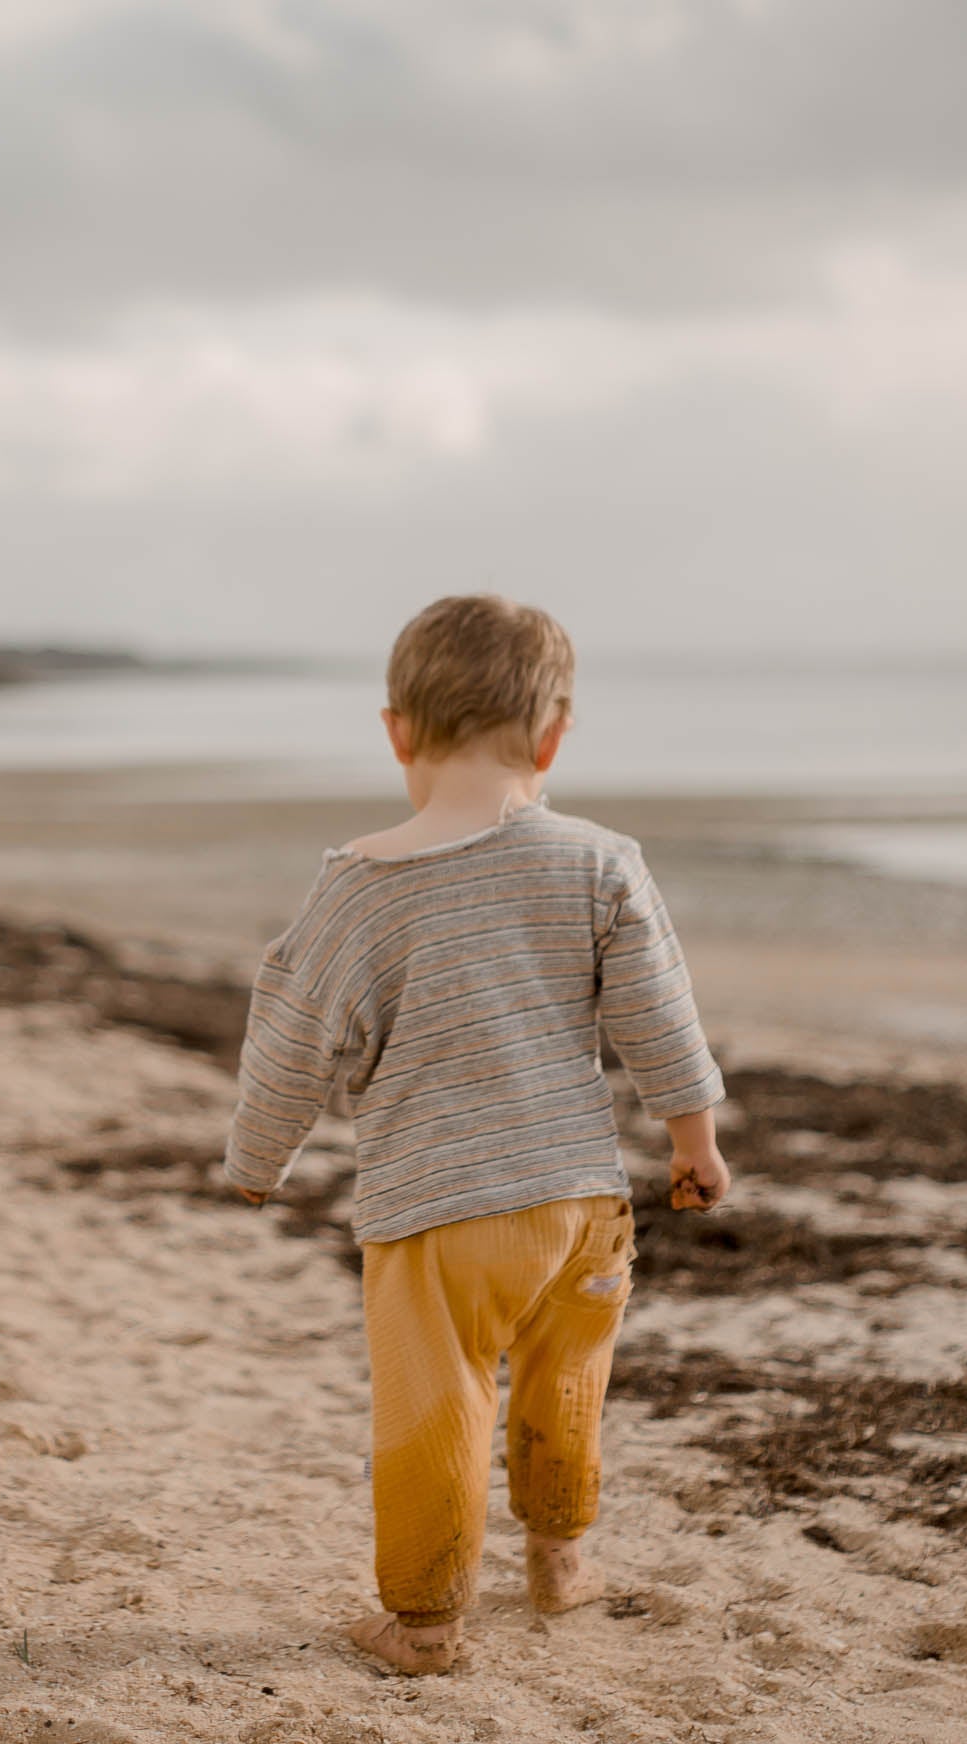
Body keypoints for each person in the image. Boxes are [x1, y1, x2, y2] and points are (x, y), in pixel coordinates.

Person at [224, 594, 731, 1676]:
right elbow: (657, 1012)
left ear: (396, 731)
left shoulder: (358, 884)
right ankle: (559, 1560)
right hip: (579, 1205)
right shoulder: (600, 861)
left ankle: (423, 1621)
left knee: (435, 1402)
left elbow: (291, 1037)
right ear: (551, 738)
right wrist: (693, 1140)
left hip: (434, 1211)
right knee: (564, 1383)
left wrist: (254, 1161)